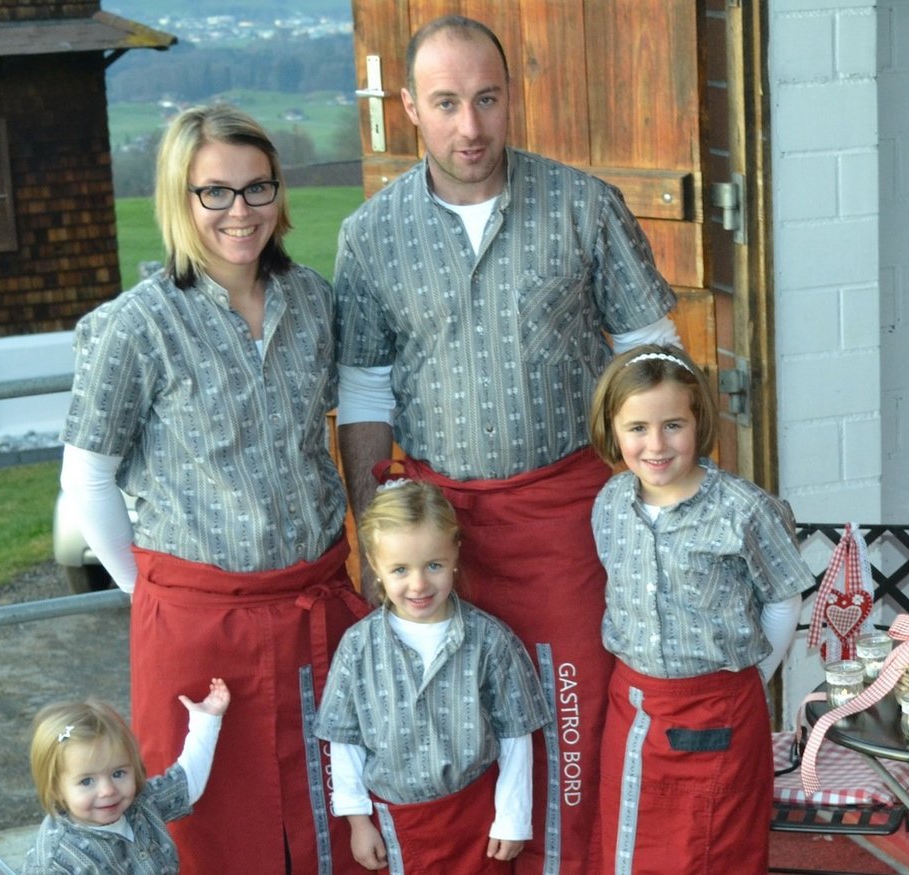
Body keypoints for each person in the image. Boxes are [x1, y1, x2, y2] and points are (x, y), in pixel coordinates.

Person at [333, 15, 680, 873]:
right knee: (457, 732)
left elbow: (653, 349)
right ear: (410, 106)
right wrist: (377, 536)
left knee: (570, 727)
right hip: (440, 536)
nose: (471, 127)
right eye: (447, 103)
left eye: (487, 99)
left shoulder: (583, 205)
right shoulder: (370, 235)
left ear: (510, 95)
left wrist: (669, 498)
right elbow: (366, 391)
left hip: (564, 518)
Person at [58, 104, 370, 873]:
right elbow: (86, 477)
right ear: (179, 199)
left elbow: (357, 411)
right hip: (197, 629)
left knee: (335, 819)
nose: (241, 211)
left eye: (257, 188)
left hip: (314, 606)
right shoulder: (134, 326)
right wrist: (154, 593)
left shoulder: (315, 304)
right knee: (206, 832)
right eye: (216, 192)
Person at [586, 344, 813, 874]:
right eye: (637, 428)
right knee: (627, 850)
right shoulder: (610, 504)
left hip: (718, 709)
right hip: (633, 707)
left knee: (709, 855)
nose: (655, 444)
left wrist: (756, 676)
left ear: (698, 422)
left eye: (672, 425)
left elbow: (783, 597)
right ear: (613, 430)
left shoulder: (744, 509)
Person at [315, 480, 552, 873]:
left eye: (434, 565)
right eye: (400, 569)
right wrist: (358, 822)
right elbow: (344, 739)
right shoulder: (357, 646)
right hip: (396, 825)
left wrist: (512, 817)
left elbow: (516, 734)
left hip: (476, 820)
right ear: (375, 565)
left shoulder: (490, 640)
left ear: (455, 553)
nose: (419, 584)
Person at [21, 679, 230, 874]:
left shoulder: (141, 802)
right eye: (86, 781)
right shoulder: (58, 858)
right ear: (56, 788)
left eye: (118, 773)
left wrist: (206, 719)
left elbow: (185, 782)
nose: (108, 790)